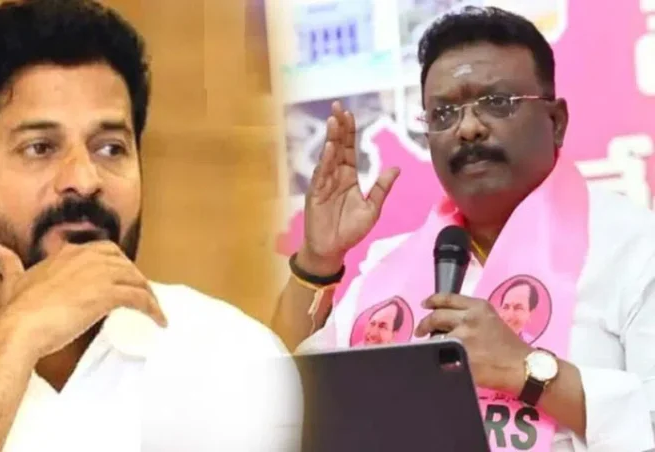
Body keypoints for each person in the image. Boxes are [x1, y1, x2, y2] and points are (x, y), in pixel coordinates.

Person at [0, 1, 302, 451]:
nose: (85, 180)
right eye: (40, 147)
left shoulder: (235, 359)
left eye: (110, 148)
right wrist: (14, 340)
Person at [272, 6, 655, 451]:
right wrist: (318, 262)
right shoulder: (388, 269)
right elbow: (275, 403)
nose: (468, 128)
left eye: (497, 103)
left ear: (556, 122)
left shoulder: (634, 248)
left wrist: (528, 371)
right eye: (444, 113)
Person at [498, 278, 539, 342]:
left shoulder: (534, 345)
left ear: (530, 313)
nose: (509, 316)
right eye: (505, 307)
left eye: (518, 308)